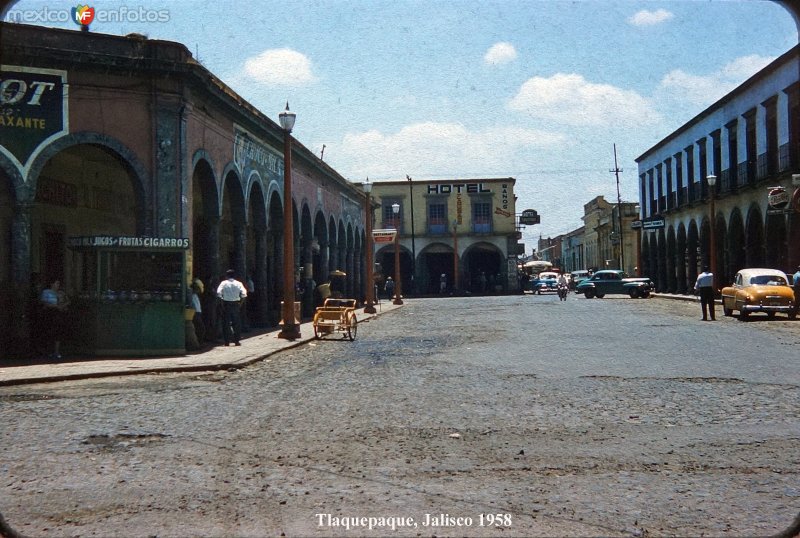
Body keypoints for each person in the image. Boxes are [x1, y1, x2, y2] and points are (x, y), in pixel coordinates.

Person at [216, 269, 247, 346]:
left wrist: (222, 303)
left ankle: (227, 341)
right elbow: (244, 294)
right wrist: (240, 304)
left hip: (226, 304)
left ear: (226, 276)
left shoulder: (223, 283)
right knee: (236, 323)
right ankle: (236, 341)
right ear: (234, 276)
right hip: (236, 304)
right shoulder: (238, 283)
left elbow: (218, 293)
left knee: (226, 323)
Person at [40, 279, 69, 359]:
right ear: (52, 284)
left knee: (57, 332)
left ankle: (56, 351)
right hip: (49, 313)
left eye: (59, 284)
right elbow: (44, 302)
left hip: (58, 314)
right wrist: (55, 306)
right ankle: (48, 350)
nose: (58, 285)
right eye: (56, 283)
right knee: (49, 331)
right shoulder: (46, 292)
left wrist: (62, 306)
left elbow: (67, 301)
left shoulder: (61, 293)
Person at [190, 279, 205, 344]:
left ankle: (199, 342)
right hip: (195, 313)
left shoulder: (195, 295)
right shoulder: (191, 294)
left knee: (200, 328)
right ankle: (199, 342)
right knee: (200, 328)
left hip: (197, 312)